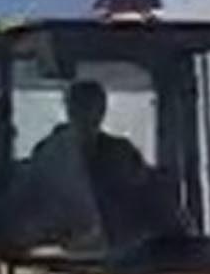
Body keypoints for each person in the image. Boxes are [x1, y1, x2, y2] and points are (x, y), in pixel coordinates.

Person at [25, 76, 181, 248]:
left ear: (102, 110)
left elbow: (156, 207)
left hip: (124, 263)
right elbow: (30, 216)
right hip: (58, 263)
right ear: (68, 110)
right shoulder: (48, 157)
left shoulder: (123, 155)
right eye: (79, 106)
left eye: (93, 107)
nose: (87, 114)